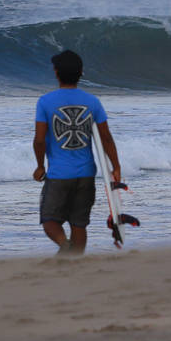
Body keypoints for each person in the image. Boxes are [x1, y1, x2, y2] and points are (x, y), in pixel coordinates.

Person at [33, 50, 121, 256]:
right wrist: (116, 167)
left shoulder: (45, 102)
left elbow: (39, 140)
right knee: (79, 224)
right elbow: (106, 138)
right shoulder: (92, 102)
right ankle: (75, 264)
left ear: (56, 73)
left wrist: (40, 165)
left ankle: (64, 246)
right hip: (86, 174)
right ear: (81, 72)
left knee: (49, 220)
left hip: (59, 175)